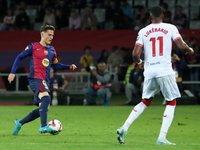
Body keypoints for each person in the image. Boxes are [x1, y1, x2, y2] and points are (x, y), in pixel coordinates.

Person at [116, 6, 194, 145]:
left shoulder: (143, 31)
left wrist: (140, 62)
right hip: (164, 70)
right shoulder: (170, 27)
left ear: (150, 17)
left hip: (150, 71)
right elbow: (181, 46)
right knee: (171, 101)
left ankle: (124, 127)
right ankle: (161, 138)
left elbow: (135, 54)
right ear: (163, 16)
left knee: (145, 101)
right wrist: (190, 49)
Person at [8, 25, 77, 135]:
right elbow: (19, 57)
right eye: (49, 35)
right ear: (42, 34)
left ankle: (20, 122)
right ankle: (43, 126)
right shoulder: (33, 47)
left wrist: (68, 66)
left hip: (45, 80)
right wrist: (12, 72)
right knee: (46, 97)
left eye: (52, 35)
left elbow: (56, 65)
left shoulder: (51, 50)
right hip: (35, 78)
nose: (51, 37)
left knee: (44, 108)